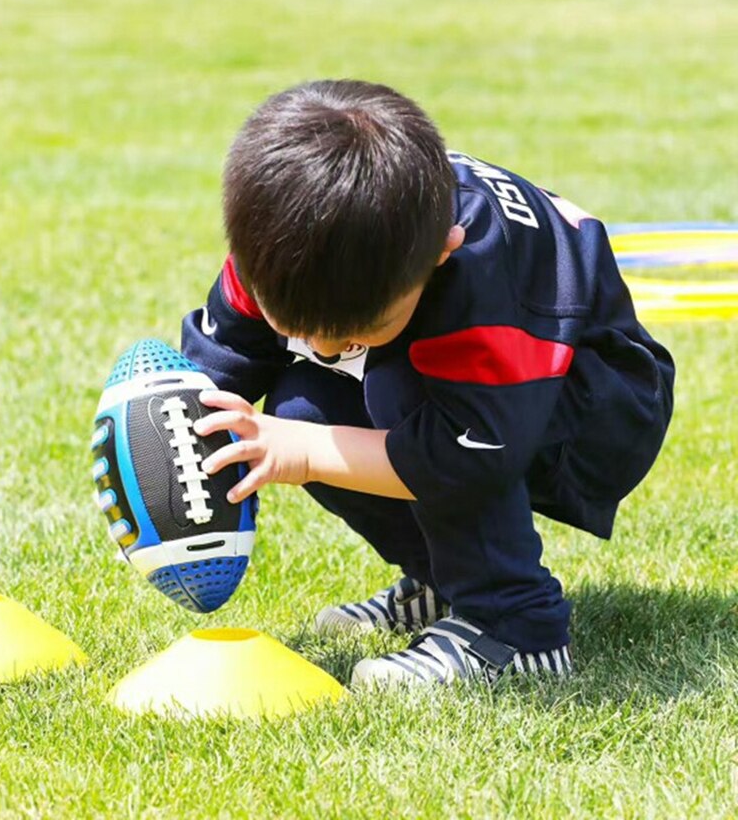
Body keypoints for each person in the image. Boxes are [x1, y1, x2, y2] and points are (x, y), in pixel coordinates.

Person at [181, 79, 675, 687]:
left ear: (444, 251)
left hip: (600, 401)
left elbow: (468, 457)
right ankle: (448, 589)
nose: (329, 348)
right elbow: (225, 350)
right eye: (297, 328)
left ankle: (516, 630)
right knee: (300, 405)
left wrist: (303, 452)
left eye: (361, 328)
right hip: (488, 389)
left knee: (387, 396)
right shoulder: (285, 237)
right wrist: (176, 434)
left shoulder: (482, 286)